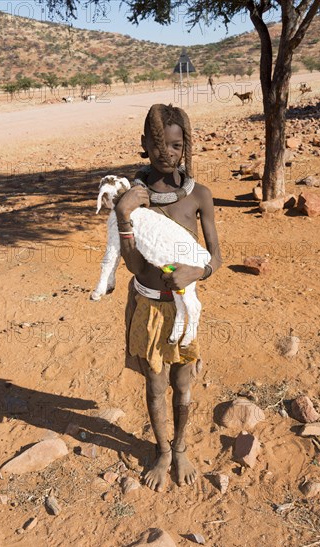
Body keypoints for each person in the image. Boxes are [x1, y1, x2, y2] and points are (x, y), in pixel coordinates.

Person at [115, 103, 222, 492]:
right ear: (144, 145)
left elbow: (216, 255)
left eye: (176, 146)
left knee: (183, 381)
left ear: (185, 145)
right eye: (158, 145)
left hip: (184, 308)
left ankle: (180, 448)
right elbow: (131, 265)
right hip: (148, 305)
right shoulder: (131, 197)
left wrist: (201, 270)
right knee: (156, 385)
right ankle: (162, 451)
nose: (167, 153)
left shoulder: (199, 197)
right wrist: (125, 216)